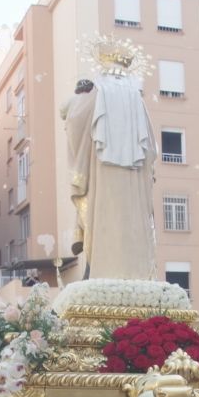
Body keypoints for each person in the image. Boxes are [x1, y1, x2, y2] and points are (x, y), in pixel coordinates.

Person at [61, 42, 156, 281]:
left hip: (103, 179)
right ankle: (137, 274)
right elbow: (151, 149)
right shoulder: (137, 98)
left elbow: (72, 117)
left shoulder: (96, 92)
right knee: (131, 227)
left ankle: (98, 271)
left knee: (103, 222)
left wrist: (75, 100)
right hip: (133, 186)